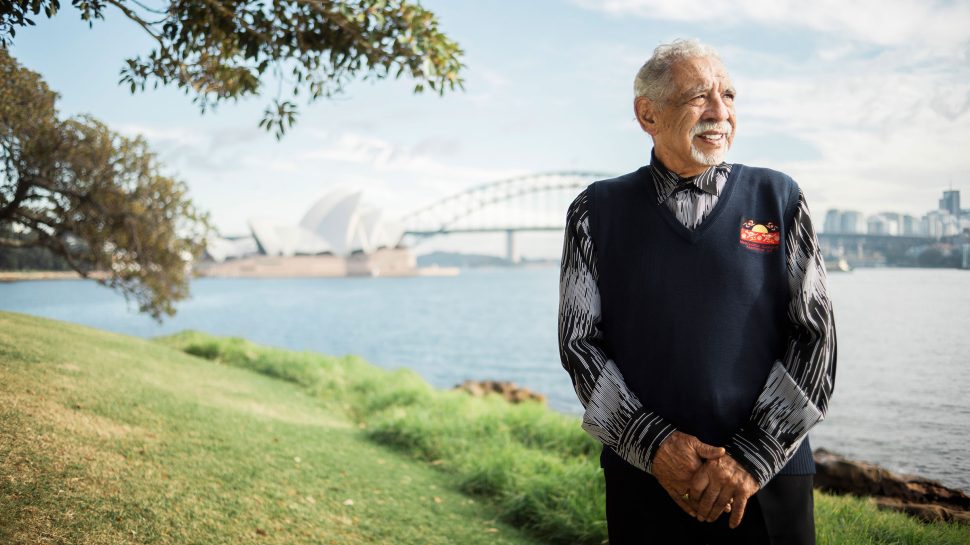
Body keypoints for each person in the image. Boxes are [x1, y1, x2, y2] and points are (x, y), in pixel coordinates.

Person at [558, 39, 837, 545]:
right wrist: (654, 445)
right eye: (699, 97)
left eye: (728, 95)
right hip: (646, 479)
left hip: (769, 480)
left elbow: (816, 339)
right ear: (648, 114)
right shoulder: (594, 210)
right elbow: (579, 344)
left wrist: (750, 458)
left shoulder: (779, 196)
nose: (720, 112)